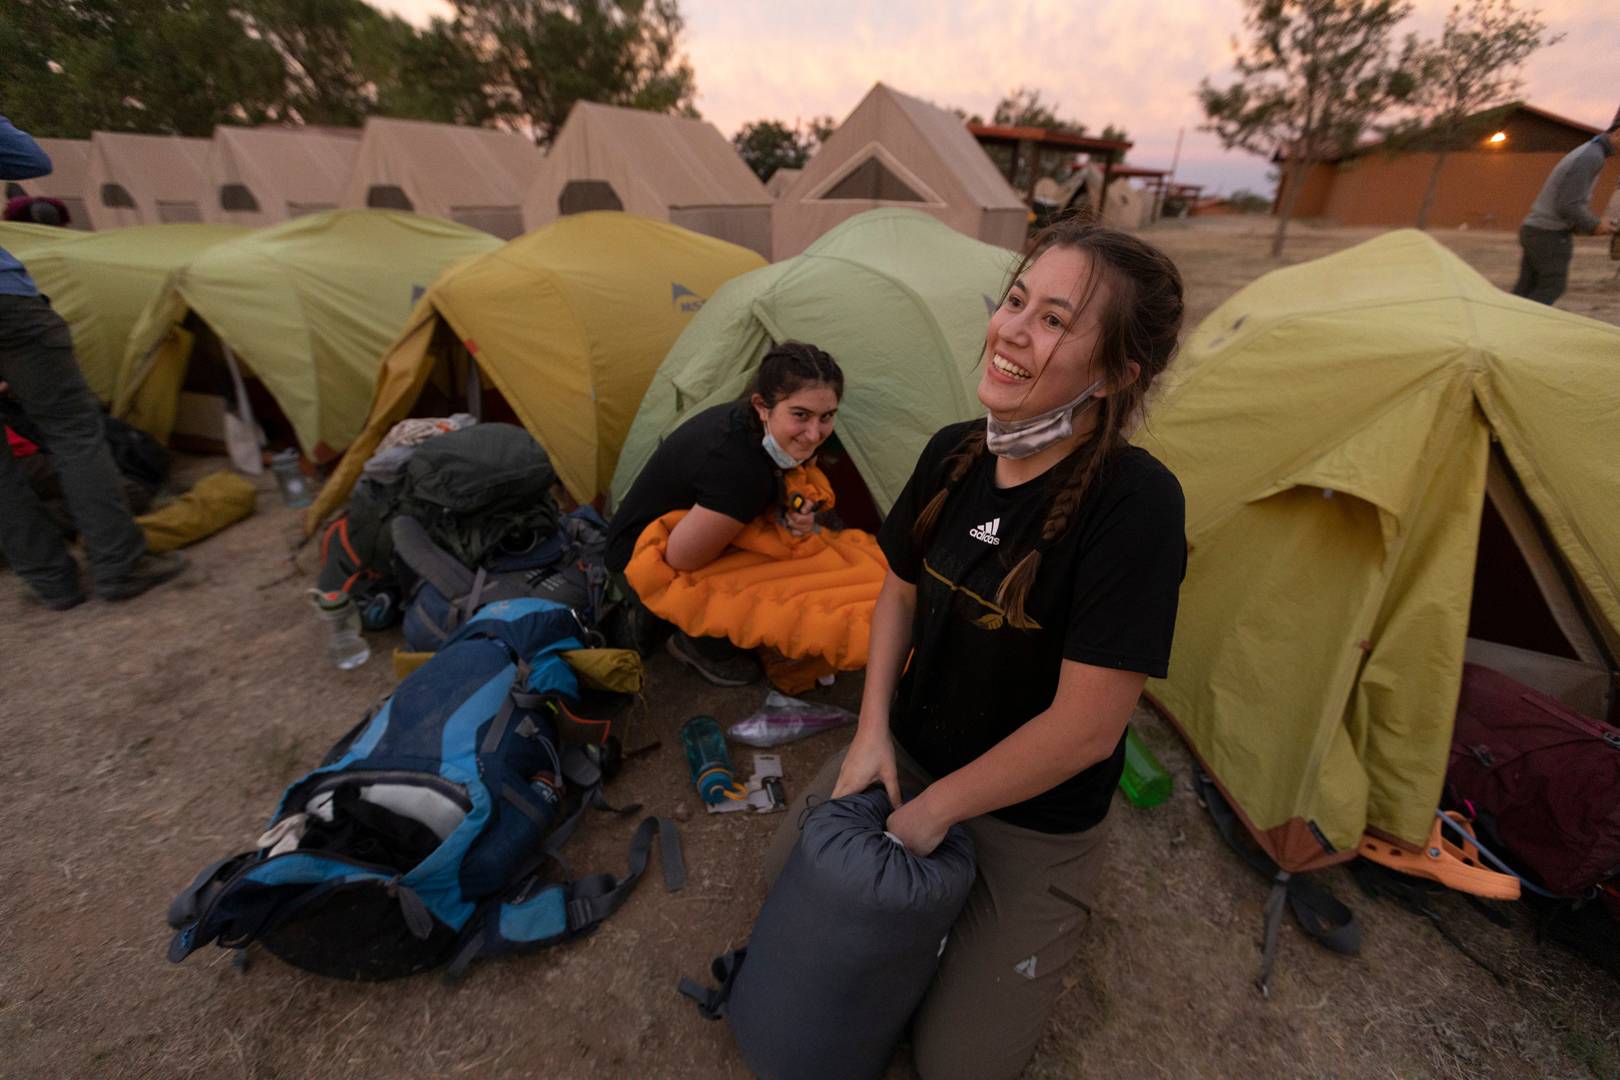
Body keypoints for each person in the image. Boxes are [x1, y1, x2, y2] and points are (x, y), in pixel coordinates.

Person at [763, 220, 1187, 1080]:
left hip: (1033, 818)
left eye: (1054, 321)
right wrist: (873, 731)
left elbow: (1085, 732)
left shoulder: (1135, 505)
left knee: (960, 1063)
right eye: (1016, 301)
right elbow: (898, 592)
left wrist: (933, 812)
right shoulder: (954, 451)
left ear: (1115, 373)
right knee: (786, 879)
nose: (1012, 331)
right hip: (913, 754)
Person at [0, 115, 186, 609]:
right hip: (6, 303)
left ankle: (52, 583)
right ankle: (119, 567)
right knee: (72, 432)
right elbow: (33, 160)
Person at [604, 342, 843, 685]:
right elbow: (681, 558)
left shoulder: (754, 425)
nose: (814, 433)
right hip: (635, 560)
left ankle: (663, 619)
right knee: (779, 573)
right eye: (801, 415)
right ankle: (695, 641)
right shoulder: (739, 471)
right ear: (763, 405)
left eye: (827, 417)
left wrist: (790, 515)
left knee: (797, 547)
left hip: (674, 528)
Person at [1512, 114, 1618, 305]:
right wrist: (1594, 225)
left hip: (1536, 229)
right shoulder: (1592, 157)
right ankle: (1525, 330)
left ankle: (1506, 330)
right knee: (1553, 286)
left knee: (1525, 290)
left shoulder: (1589, 152)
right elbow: (1568, 205)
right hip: (1550, 234)